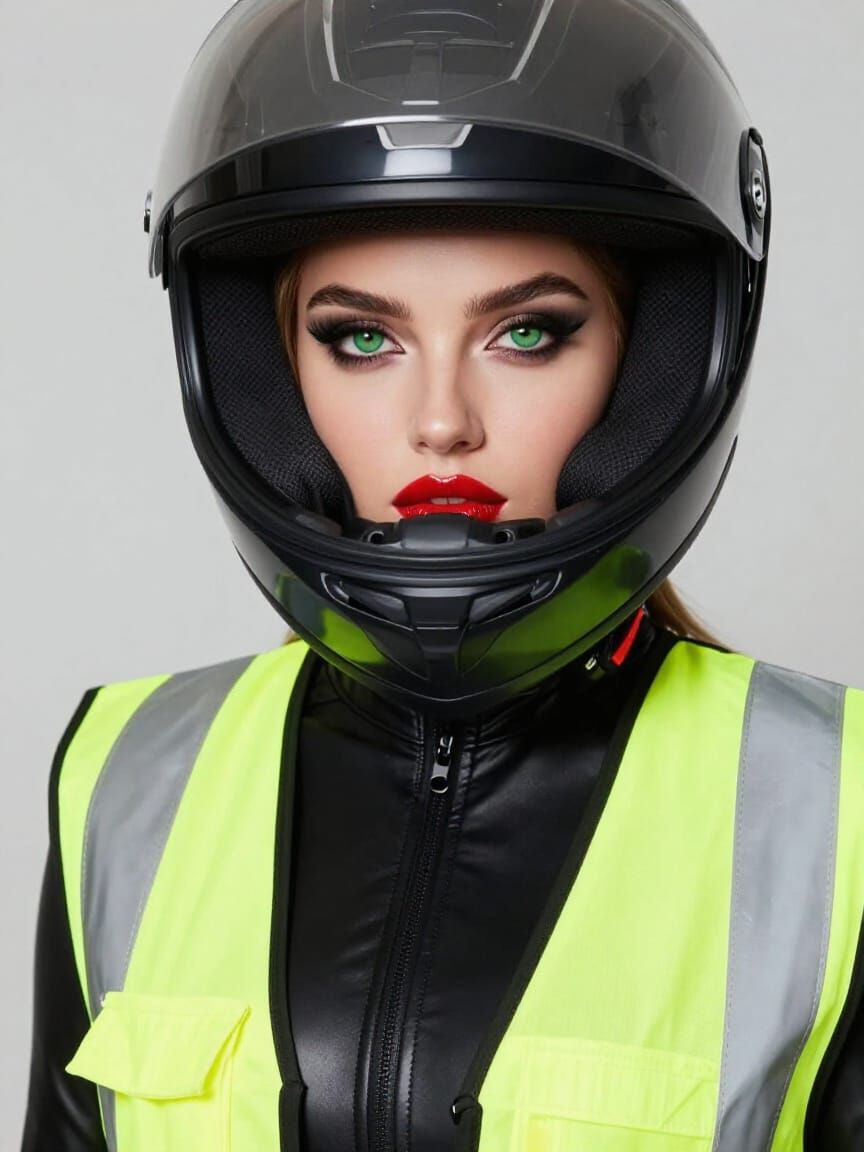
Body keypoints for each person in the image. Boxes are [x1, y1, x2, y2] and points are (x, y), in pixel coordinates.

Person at [20, 1, 864, 1150]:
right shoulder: (125, 780)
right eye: (362, 338)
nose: (440, 423)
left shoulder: (838, 804)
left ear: (651, 359)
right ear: (271, 374)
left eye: (528, 333)